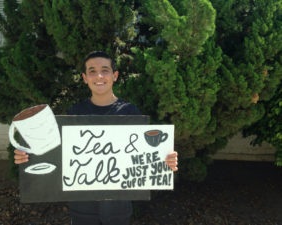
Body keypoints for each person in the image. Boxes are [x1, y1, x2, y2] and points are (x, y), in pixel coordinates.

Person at [14, 51, 178, 225]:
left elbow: (145, 157)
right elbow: (59, 155)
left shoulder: (130, 112)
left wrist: (164, 160)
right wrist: (28, 157)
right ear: (85, 78)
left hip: (118, 205)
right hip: (82, 204)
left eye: (105, 70)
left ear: (115, 76)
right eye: (92, 71)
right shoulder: (74, 113)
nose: (99, 75)